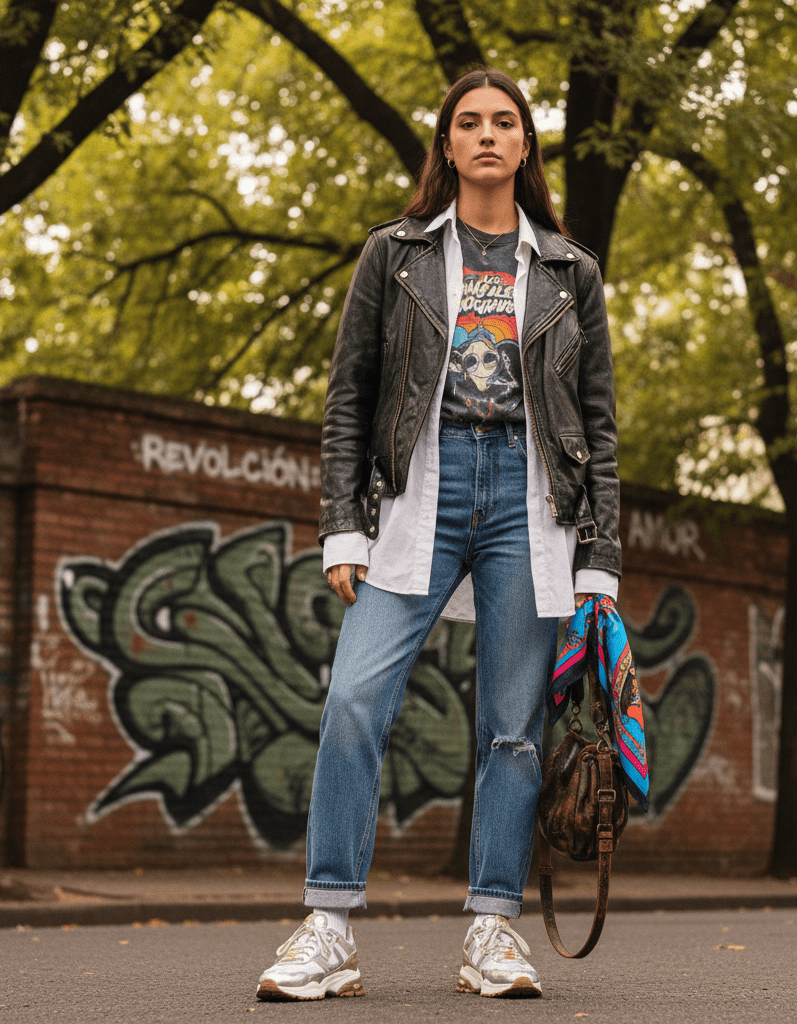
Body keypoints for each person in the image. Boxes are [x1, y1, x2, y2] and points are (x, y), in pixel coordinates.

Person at [255, 67, 621, 1002]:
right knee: (352, 701)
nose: (489, 135)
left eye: (506, 122)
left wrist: (600, 559)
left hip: (531, 501)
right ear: (447, 145)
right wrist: (343, 525)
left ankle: (493, 930)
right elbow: (350, 399)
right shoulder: (397, 253)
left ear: (526, 145)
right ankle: (327, 926)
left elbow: (599, 424)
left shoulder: (569, 270)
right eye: (471, 123)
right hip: (423, 485)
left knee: (513, 731)